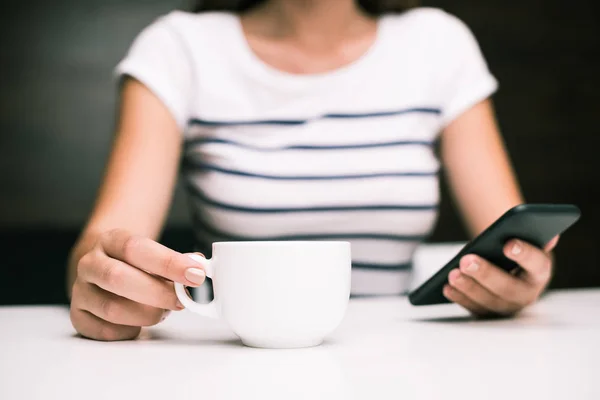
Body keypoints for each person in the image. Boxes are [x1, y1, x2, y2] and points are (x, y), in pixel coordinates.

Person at [68, 0, 558, 341]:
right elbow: (105, 245)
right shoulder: (178, 48)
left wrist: (521, 280)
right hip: (235, 357)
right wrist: (102, 282)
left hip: (400, 354)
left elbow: (511, 239)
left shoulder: (438, 42)